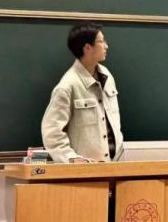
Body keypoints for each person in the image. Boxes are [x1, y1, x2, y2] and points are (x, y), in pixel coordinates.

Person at [42, 22, 123, 163]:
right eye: (101, 41)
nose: (106, 46)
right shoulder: (67, 86)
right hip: (87, 171)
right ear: (87, 48)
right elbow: (52, 134)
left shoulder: (107, 75)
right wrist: (72, 159)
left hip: (116, 165)